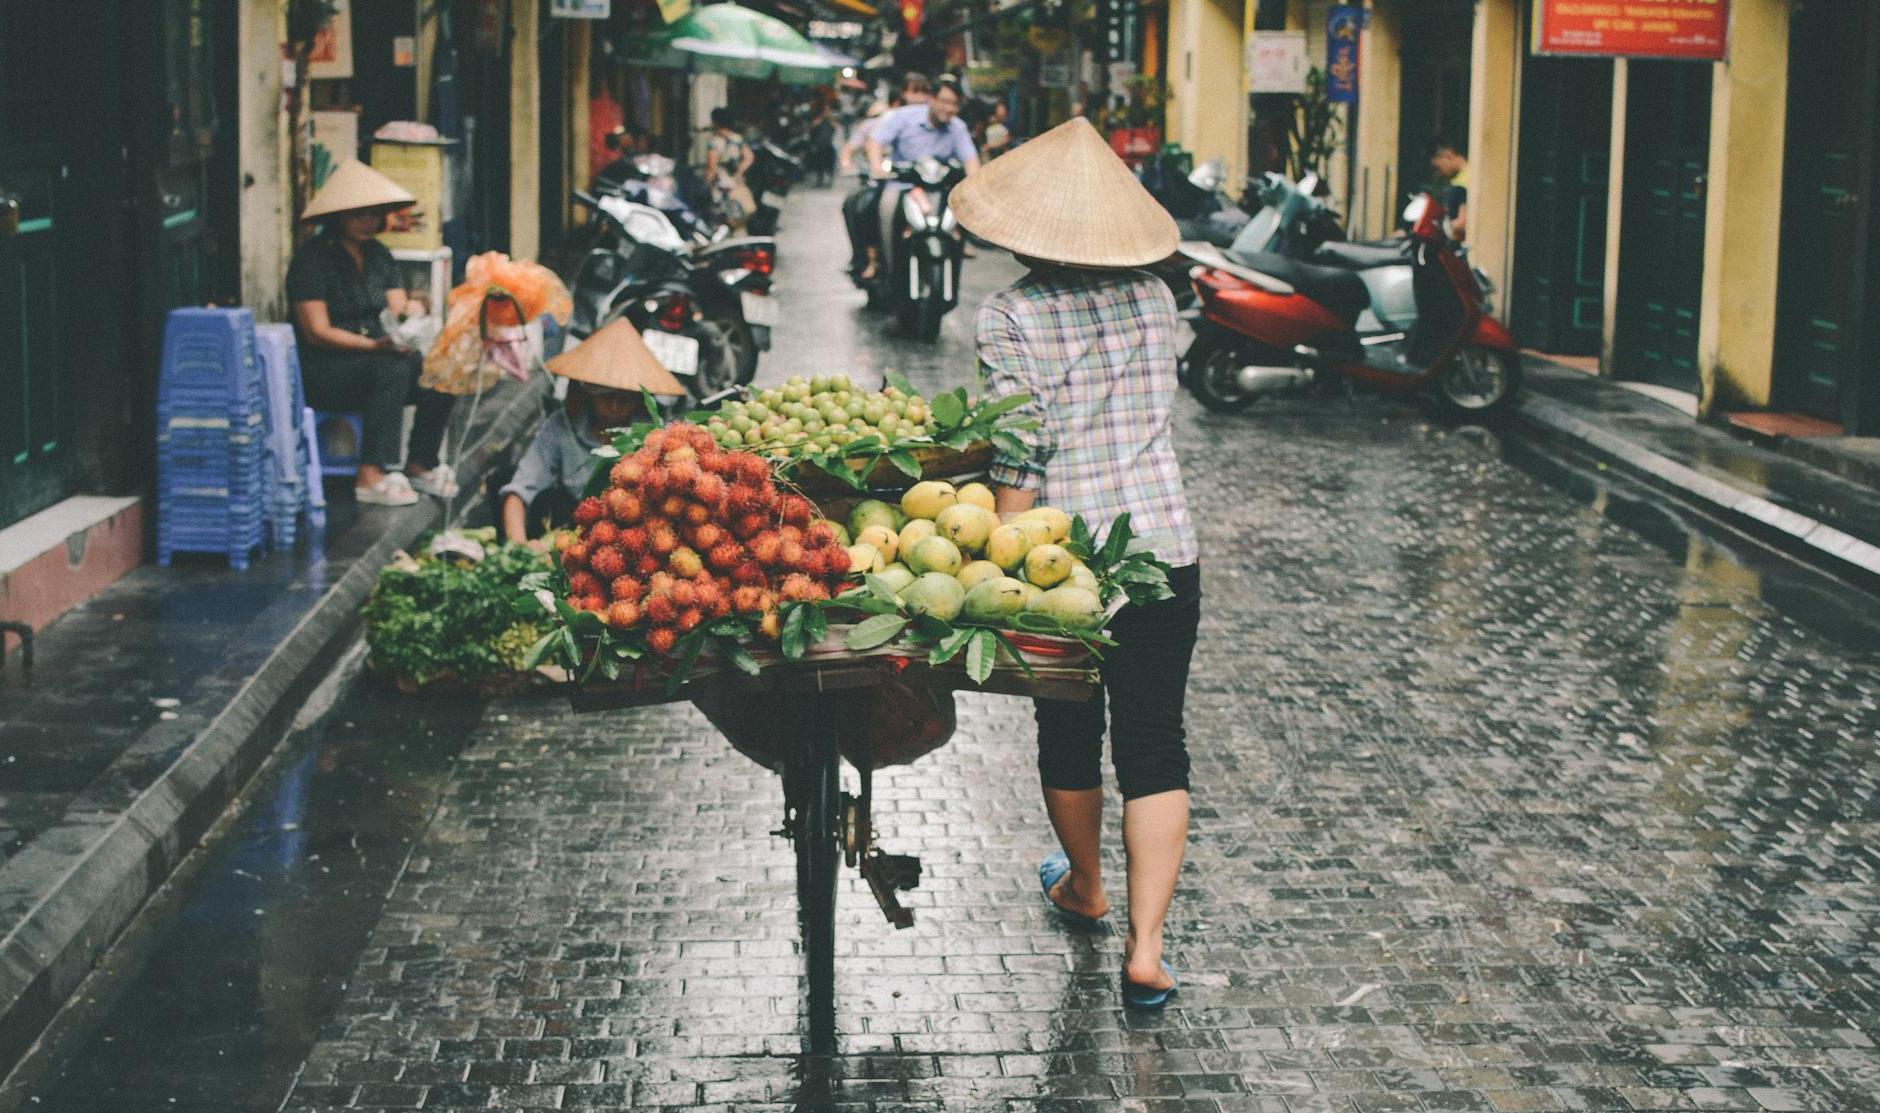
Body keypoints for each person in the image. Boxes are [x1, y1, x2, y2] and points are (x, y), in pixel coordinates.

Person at [950, 117, 1201, 1011]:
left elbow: (1021, 453)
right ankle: (1148, 948)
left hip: (1067, 562)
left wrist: (996, 566)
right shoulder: (1157, 299)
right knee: (1154, 740)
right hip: (1165, 547)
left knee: (1067, 730)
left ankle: (1086, 887)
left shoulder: (1012, 313)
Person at [288, 160, 459, 507]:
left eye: (373, 214)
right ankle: (371, 474)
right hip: (325, 368)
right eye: (358, 215)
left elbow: (397, 307)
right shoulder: (312, 260)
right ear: (338, 217)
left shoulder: (379, 255)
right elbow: (316, 331)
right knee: (390, 368)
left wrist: (411, 316)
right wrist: (372, 345)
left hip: (376, 358)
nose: (367, 222)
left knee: (442, 372)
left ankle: (420, 462)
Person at [499, 319, 687, 542]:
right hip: (574, 524)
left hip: (633, 532)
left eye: (625, 399)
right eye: (606, 397)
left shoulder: (653, 433)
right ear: (589, 393)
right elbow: (519, 490)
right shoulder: (561, 426)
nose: (615, 406)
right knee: (550, 501)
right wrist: (519, 548)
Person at [861, 76, 980, 281]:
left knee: (965, 209)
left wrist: (976, 184)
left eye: (954, 104)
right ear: (932, 99)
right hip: (902, 186)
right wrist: (877, 167)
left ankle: (958, 249)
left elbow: (971, 160)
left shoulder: (958, 127)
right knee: (883, 207)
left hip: (940, 190)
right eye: (945, 101)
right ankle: (884, 262)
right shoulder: (903, 117)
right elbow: (875, 143)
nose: (949, 108)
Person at [702, 108, 757, 229]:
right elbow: (749, 157)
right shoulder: (737, 139)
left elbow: (711, 167)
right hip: (736, 182)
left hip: (721, 184)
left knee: (721, 215)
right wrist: (739, 172)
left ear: (716, 122)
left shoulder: (715, 142)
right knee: (739, 214)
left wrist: (705, 185)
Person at [1429, 138, 1469, 242]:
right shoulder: (1455, 180)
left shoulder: (1467, 181)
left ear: (1448, 156)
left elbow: (1461, 223)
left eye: (1437, 168)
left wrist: (1436, 228)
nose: (1438, 173)